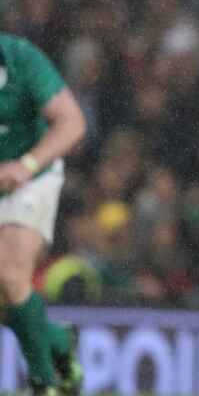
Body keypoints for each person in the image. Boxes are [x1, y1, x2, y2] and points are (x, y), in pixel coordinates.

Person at [0, 32, 86, 396]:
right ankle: (56, 341)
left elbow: (72, 122)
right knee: (8, 294)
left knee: (8, 274)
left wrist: (27, 164)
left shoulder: (21, 59)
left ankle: (43, 381)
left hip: (29, 175)